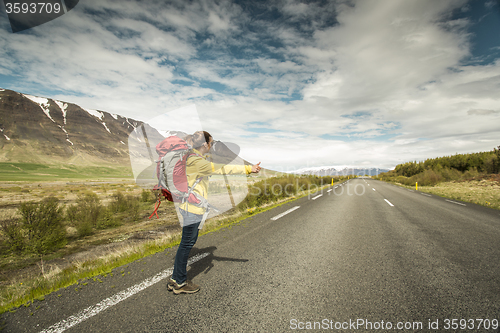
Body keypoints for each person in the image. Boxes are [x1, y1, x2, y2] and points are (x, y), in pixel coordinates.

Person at [167, 131, 261, 294]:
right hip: (192, 209)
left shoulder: (191, 158)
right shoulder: (196, 161)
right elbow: (223, 169)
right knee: (187, 244)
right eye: (211, 142)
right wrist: (248, 169)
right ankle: (180, 282)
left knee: (186, 243)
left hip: (189, 206)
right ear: (205, 144)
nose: (211, 145)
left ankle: (176, 279)